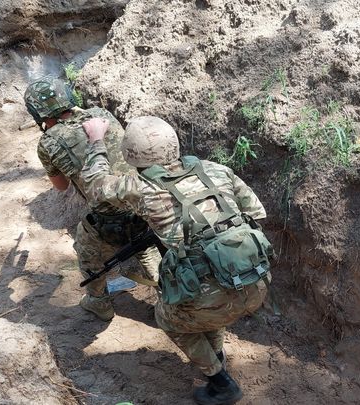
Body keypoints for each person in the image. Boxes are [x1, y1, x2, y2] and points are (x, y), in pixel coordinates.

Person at [80, 116, 273, 405]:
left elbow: (94, 185)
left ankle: (220, 383)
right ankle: (216, 352)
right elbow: (256, 214)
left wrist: (96, 140)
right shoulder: (216, 170)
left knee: (168, 318)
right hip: (254, 279)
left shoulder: (139, 186)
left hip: (212, 298)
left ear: (130, 153)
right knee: (204, 290)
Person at [23, 79, 162, 321]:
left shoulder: (47, 142)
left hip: (109, 215)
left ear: (37, 113)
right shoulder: (100, 113)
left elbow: (62, 186)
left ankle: (99, 302)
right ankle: (168, 293)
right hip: (143, 199)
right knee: (146, 245)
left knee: (86, 248)